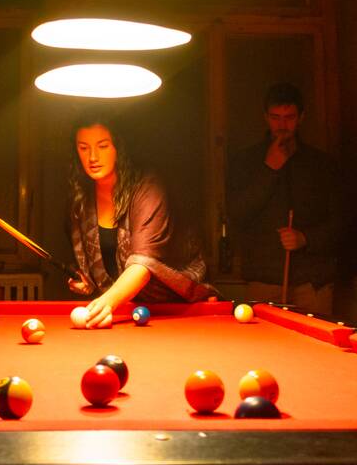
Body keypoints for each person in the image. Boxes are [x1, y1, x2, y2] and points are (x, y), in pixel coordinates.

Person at [65, 114, 215, 328]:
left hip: (176, 309)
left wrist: (106, 302)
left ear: (119, 147)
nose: (93, 157)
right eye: (83, 148)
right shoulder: (81, 200)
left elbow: (143, 263)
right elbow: (101, 262)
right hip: (125, 309)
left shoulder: (147, 187)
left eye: (103, 146)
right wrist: (86, 280)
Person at [227, 82, 339, 316]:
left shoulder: (321, 165)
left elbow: (341, 223)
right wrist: (270, 169)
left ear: (301, 117)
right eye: (276, 117)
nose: (282, 125)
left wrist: (305, 238)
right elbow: (237, 215)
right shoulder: (245, 163)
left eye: (289, 117)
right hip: (264, 281)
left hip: (313, 283)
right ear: (265, 117)